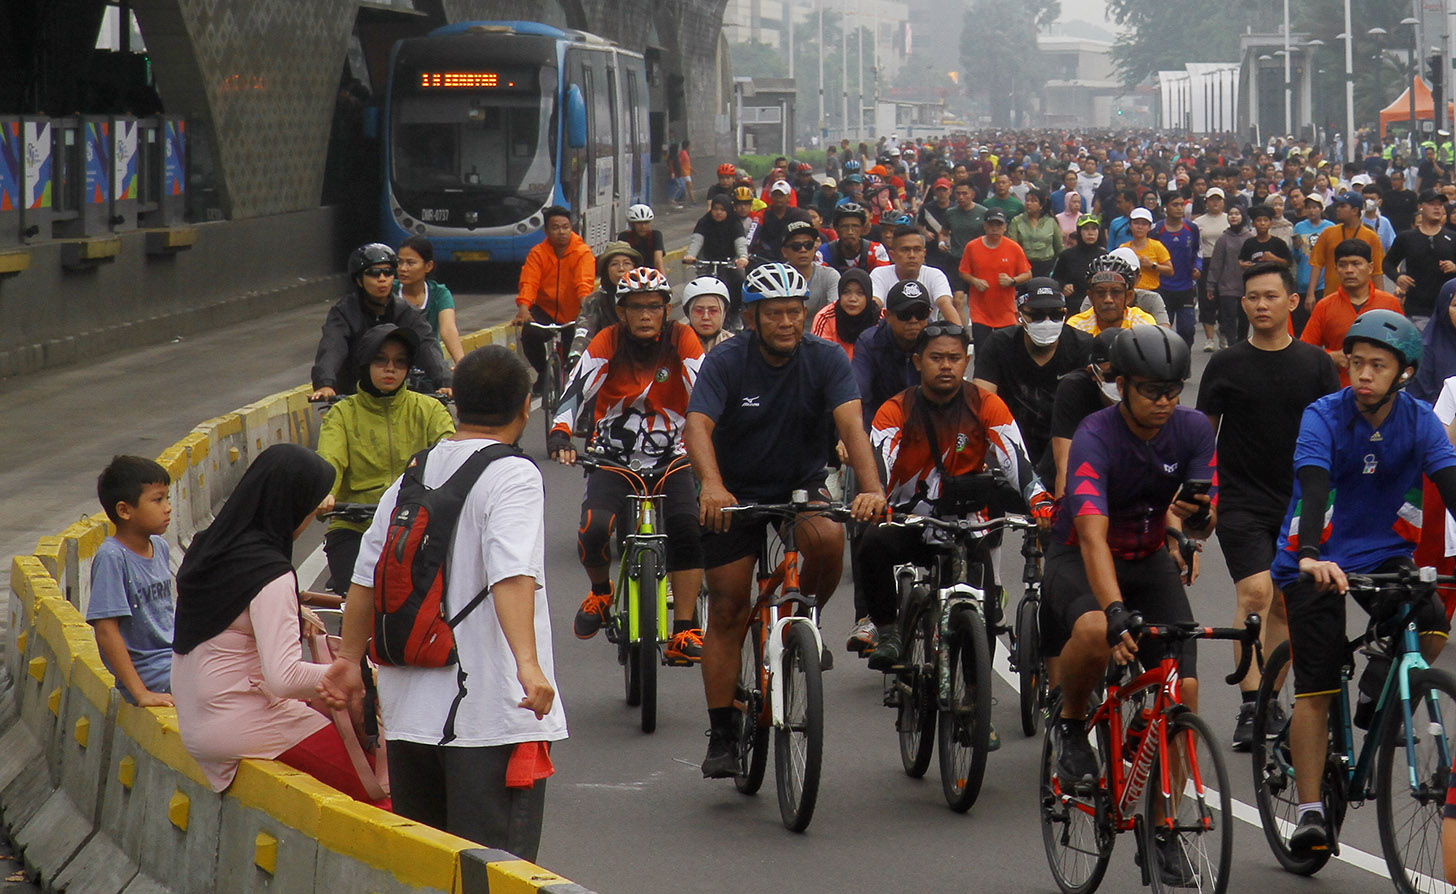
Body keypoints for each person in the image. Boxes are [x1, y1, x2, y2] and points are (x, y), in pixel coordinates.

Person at [320, 346, 565, 857]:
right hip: (489, 715)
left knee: (428, 869)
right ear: (525, 407)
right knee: (495, 874)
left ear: (456, 405)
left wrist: (348, 661)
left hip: (409, 713)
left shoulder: (414, 473)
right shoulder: (513, 475)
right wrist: (528, 664)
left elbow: (364, 579)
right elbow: (512, 573)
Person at [685, 263, 887, 776]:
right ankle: (723, 734)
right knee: (730, 606)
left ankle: (804, 622)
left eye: (794, 313)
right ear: (753, 317)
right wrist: (711, 484)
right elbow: (698, 427)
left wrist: (871, 489)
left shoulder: (824, 359)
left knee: (827, 538)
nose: (785, 323)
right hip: (732, 492)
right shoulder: (728, 360)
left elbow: (852, 426)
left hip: (800, 484)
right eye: (773, 314)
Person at [1271, 311, 1456, 856]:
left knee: (1433, 623)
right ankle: (1308, 810)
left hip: (1384, 554)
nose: (1364, 375)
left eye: (1378, 365)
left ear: (1404, 373)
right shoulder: (1322, 415)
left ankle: (1379, 681)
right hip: (1315, 557)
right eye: (1356, 363)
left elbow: (1450, 482)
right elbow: (1312, 484)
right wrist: (1308, 555)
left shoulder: (1420, 420)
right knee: (1319, 684)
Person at [1044, 326, 1216, 794]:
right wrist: (1116, 610)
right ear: (1122, 387)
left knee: (1187, 691)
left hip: (1148, 556)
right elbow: (1092, 536)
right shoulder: (1094, 434)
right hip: (1080, 556)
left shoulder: (1194, 429)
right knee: (1099, 630)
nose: (1163, 401)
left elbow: (1202, 522)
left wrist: (1199, 518)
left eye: (1172, 391)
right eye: (1151, 391)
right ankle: (1072, 722)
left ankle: (1167, 831)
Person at [172, 444, 388, 805]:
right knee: (376, 790)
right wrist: (351, 674)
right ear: (291, 507)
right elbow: (284, 678)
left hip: (196, 718)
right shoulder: (270, 574)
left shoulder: (209, 548)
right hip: (244, 719)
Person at [1196, 262, 1340, 750]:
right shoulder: (1225, 365)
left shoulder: (1317, 364)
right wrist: (1199, 495)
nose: (1261, 305)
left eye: (1271, 297)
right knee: (1256, 593)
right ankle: (1250, 705)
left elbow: (1336, 433)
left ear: (1292, 302)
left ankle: (1269, 700)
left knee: (1283, 602)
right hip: (1241, 500)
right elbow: (1201, 434)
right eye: (1253, 297)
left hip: (1301, 501)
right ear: (1243, 304)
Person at [861, 321, 1052, 686]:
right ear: (918, 362)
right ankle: (887, 632)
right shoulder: (895, 408)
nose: (945, 365)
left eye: (954, 358)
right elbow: (878, 460)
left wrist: (1040, 501)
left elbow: (1018, 463)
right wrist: (874, 495)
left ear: (967, 361)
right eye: (936, 358)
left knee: (984, 615)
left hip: (968, 527)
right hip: (909, 523)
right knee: (871, 543)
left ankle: (975, 703)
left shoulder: (986, 404)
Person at [550, 268, 706, 663]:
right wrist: (560, 431)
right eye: (635, 307)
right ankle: (601, 593)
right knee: (594, 528)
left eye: (654, 306)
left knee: (688, 528)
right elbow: (577, 386)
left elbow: (703, 385)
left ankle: (685, 627)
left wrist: (721, 431)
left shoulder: (681, 337)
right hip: (613, 456)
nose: (645, 315)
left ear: (666, 310)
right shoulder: (609, 340)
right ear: (621, 312)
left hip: (673, 455)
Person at [315, 324, 456, 594]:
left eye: (399, 362)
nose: (390, 368)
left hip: (416, 526)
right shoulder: (342, 414)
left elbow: (450, 455)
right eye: (381, 360)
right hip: (355, 525)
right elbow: (329, 461)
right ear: (365, 362)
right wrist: (324, 493)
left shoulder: (429, 410)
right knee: (356, 597)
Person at [972, 277, 1093, 476]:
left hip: (1066, 446)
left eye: (1055, 315)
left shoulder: (1082, 346)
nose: (1047, 322)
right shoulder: (999, 345)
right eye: (1036, 315)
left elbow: (1093, 411)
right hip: (1009, 445)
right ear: (1020, 315)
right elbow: (979, 403)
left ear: (1065, 314)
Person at [311, 243, 451, 400]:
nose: (382, 279)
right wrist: (325, 384)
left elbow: (428, 346)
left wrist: (445, 382)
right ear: (359, 280)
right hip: (354, 398)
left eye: (388, 272)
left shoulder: (407, 312)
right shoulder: (344, 313)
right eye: (374, 273)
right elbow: (332, 348)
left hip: (400, 398)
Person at [88, 455, 175, 707]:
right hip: (151, 674)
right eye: (157, 500)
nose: (167, 507)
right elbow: (106, 630)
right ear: (124, 510)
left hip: (174, 660)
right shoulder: (113, 557)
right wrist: (141, 693)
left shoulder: (159, 546)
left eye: (167, 498)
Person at [1302, 239, 1406, 387]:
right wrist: (1330, 356)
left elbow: (1405, 347)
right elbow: (1305, 351)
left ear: (1370, 268)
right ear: (1336, 268)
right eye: (1343, 265)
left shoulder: (1389, 304)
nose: (1349, 270)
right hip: (1337, 391)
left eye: (1356, 264)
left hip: (1381, 391)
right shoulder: (1324, 306)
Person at [513, 207, 596, 385]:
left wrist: (585, 307)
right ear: (546, 231)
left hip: (574, 312)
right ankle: (543, 373)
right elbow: (529, 282)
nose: (561, 232)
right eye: (556, 227)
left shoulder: (582, 252)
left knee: (574, 353)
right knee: (529, 335)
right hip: (545, 309)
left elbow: (584, 283)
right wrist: (524, 309)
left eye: (565, 227)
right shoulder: (538, 253)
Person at [1048, 328, 1123, 498]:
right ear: (1092, 372)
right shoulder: (1073, 389)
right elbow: (1065, 465)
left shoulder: (1148, 394)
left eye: (1126, 375)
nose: (1120, 384)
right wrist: (1062, 516)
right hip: (1078, 478)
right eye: (1111, 376)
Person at [959, 207, 1032, 351]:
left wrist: (1012, 281)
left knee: (1006, 351)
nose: (995, 228)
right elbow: (963, 272)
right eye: (991, 224)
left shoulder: (1013, 248)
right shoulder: (972, 247)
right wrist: (975, 281)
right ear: (985, 226)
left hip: (1006, 311)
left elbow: (1028, 274)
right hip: (980, 310)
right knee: (982, 350)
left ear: (1005, 227)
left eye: (999, 225)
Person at [1384, 188, 1456, 326]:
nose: (1437, 208)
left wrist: (1454, 267)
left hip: (1449, 309)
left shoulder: (1452, 238)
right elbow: (1388, 263)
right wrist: (1398, 277)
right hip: (1417, 309)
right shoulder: (1406, 238)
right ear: (1420, 207)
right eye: (1431, 203)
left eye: (1440, 205)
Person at [1307, 191, 1387, 309]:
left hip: (1363, 300)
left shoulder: (1371, 237)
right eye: (1337, 206)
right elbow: (1316, 264)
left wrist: (1380, 300)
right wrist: (1310, 294)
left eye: (1342, 206)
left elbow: (1377, 271)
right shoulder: (1328, 233)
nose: (1338, 209)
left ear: (1355, 211)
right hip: (1332, 297)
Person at [567, 241, 643, 362]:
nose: (621, 269)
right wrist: (576, 353)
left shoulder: (645, 298)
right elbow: (585, 327)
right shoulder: (596, 299)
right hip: (606, 361)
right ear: (606, 271)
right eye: (614, 264)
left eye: (627, 263)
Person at [395, 236, 464, 366]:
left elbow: (448, 329)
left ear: (428, 266)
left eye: (410, 263)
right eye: (399, 262)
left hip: (430, 366)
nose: (403, 268)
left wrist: (461, 364)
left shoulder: (439, 293)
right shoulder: (388, 291)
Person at [870, 225, 959, 324]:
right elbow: (875, 304)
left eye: (917, 249)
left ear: (924, 253)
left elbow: (945, 304)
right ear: (892, 255)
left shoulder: (935, 275)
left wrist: (960, 336)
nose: (912, 255)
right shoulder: (879, 274)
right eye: (905, 250)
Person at [1152, 192, 1202, 346]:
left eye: (1182, 204)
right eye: (1175, 205)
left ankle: (1184, 361)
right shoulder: (1157, 229)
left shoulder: (1191, 228)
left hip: (1186, 287)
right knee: (1162, 332)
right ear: (1165, 207)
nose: (1180, 208)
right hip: (1162, 288)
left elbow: (1198, 251)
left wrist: (1197, 267)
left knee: (1187, 329)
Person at [1067, 253, 1158, 335]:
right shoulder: (1076, 327)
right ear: (1091, 297)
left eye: (1116, 292)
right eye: (1100, 292)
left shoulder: (1143, 325)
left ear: (1128, 296)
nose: (1108, 299)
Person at [811, 266, 881, 361]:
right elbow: (818, 356)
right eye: (846, 292)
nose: (852, 299)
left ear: (868, 296)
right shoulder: (825, 317)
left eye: (860, 293)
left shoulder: (880, 319)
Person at [1208, 205, 1254, 347]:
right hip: (1226, 285)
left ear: (1243, 217)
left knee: (1244, 318)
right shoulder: (1223, 239)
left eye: (1237, 214)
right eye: (1231, 214)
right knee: (1229, 318)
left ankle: (1242, 344)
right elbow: (1216, 263)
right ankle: (1232, 344)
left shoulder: (1250, 238)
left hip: (1246, 285)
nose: (1234, 216)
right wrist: (1210, 285)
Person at [1292, 195, 1336, 334]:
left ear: (1321, 209)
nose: (1312, 211)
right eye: (1309, 208)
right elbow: (1296, 257)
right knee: (1302, 327)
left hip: (1323, 282)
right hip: (1303, 281)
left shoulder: (1330, 227)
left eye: (1315, 207)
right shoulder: (1299, 227)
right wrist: (1296, 248)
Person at [1193, 187, 1230, 350]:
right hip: (1207, 263)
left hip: (1227, 264)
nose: (1215, 203)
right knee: (1206, 299)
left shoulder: (1230, 219)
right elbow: (1195, 247)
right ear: (1206, 202)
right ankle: (1209, 339)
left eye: (1218, 199)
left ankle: (1223, 335)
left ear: (1223, 202)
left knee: (1225, 301)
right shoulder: (1198, 222)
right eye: (1212, 200)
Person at [781, 218, 840, 318]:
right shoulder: (777, 278)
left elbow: (834, 313)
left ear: (815, 248)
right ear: (784, 252)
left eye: (808, 245)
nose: (803, 250)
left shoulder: (830, 276)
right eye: (796, 246)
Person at [1050, 214, 1105, 307]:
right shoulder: (1067, 255)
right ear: (1079, 232)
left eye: (1094, 229)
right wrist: (1063, 286)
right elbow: (1056, 279)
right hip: (1073, 305)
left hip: (1098, 305)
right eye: (1086, 229)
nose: (1090, 233)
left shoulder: (1104, 256)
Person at [818, 203, 890, 272]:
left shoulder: (876, 251)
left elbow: (883, 279)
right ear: (836, 229)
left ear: (862, 229)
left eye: (855, 226)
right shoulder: (823, 253)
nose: (850, 232)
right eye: (844, 226)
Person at [749, 180, 811, 260]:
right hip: (765, 258)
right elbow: (751, 235)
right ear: (771, 196)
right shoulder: (762, 214)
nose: (778, 197)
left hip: (791, 258)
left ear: (788, 197)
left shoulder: (800, 215)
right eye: (775, 195)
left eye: (781, 195)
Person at [1008, 189, 1063, 279]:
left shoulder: (1051, 221)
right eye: (1027, 200)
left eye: (1033, 201)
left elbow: (1059, 247)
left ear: (1041, 206)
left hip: (1046, 266)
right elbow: (1012, 246)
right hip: (1024, 266)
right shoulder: (1017, 221)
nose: (1028, 203)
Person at [1121, 207, 1172, 294]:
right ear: (1130, 226)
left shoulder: (1157, 246)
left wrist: (1152, 265)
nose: (1140, 227)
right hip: (1129, 292)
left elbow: (1170, 271)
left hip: (1151, 292)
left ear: (1149, 227)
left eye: (1144, 224)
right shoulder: (1124, 248)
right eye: (1136, 223)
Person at [681, 276, 735, 354]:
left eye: (713, 311)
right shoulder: (674, 346)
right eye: (699, 311)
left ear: (724, 313)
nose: (706, 317)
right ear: (688, 313)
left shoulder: (736, 348)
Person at [1237, 205, 1293, 273]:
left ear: (1271, 224)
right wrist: (1242, 264)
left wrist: (1274, 259)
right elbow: (1241, 260)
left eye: (1266, 220)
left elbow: (1289, 263)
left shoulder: (1279, 243)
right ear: (1253, 224)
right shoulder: (1249, 243)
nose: (1262, 223)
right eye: (1258, 220)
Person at [618, 204, 666, 274]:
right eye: (639, 223)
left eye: (646, 223)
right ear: (631, 224)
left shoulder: (655, 235)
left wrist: (663, 280)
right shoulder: (624, 237)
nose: (643, 226)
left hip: (651, 275)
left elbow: (658, 260)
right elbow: (622, 260)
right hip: (631, 275)